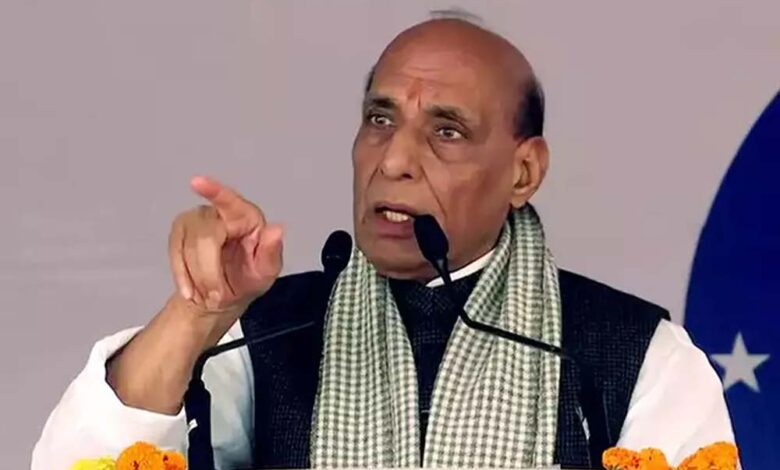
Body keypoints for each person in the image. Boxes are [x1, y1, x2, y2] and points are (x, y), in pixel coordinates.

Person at [32, 15, 734, 469]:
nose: (394, 159)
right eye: (379, 119)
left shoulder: (631, 355)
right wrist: (196, 315)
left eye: (447, 131)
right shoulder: (268, 332)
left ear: (524, 172)